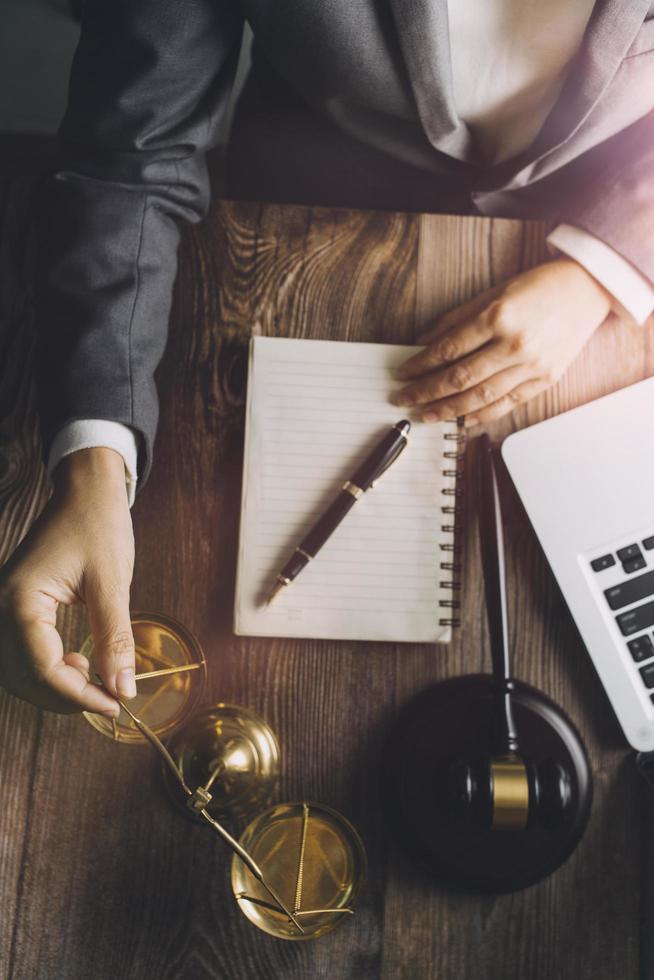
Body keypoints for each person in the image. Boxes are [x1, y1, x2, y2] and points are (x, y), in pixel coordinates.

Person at [1, 0, 653, 718]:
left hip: (602, 208)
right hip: (308, 204)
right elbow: (130, 162)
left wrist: (604, 266)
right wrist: (93, 459)